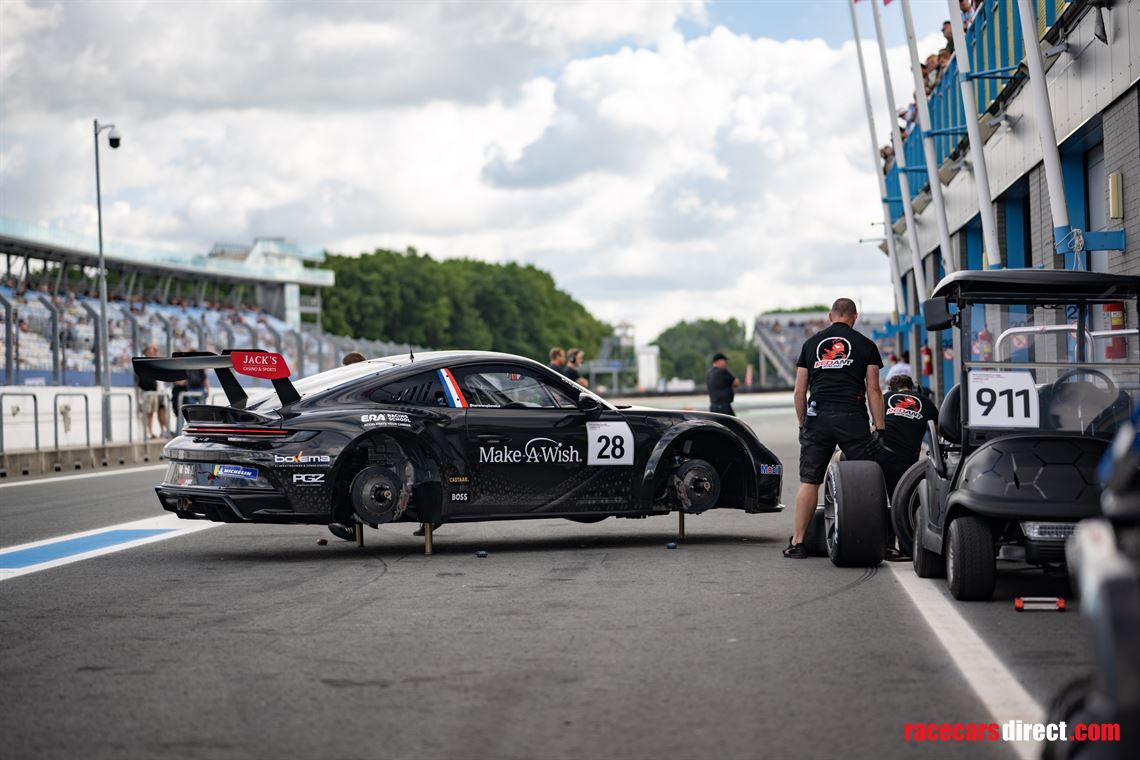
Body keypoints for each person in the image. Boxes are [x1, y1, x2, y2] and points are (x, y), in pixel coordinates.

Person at [785, 298, 887, 558]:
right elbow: (874, 389)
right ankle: (878, 540)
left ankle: (797, 543)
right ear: (854, 316)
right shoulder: (866, 345)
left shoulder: (810, 344)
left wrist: (802, 423)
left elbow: (799, 391)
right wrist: (880, 427)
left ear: (831, 316)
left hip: (817, 416)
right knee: (868, 478)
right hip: (851, 417)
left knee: (810, 480)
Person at [880, 374, 938, 502]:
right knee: (900, 502)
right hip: (907, 462)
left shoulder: (885, 397)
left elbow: (875, 426)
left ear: (891, 389)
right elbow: (941, 431)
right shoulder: (925, 401)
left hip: (879, 453)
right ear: (913, 388)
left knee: (839, 456)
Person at [135, 344, 168, 438]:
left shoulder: (155, 363)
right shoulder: (144, 363)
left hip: (156, 391)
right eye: (151, 351)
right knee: (148, 412)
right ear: (146, 352)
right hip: (148, 391)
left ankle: (155, 431)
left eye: (154, 351)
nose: (153, 353)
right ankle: (148, 432)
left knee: (155, 412)